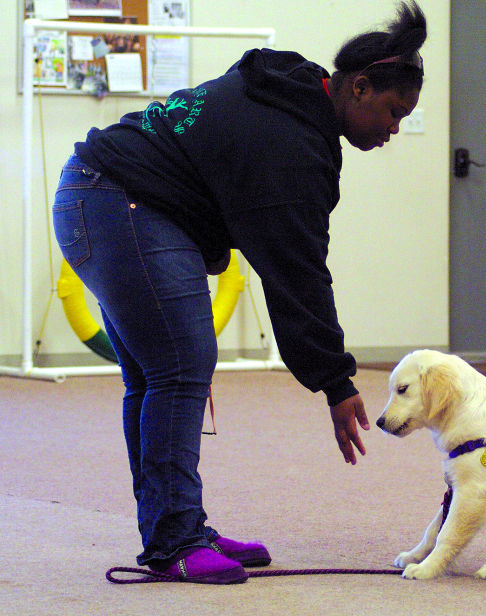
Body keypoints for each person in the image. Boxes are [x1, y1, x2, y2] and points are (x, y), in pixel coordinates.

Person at [52, 2, 427, 585]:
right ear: (359, 86)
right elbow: (298, 273)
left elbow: (291, 259)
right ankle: (174, 539)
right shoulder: (293, 143)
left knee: (155, 376)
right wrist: (336, 380)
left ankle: (176, 526)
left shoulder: (292, 93)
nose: (394, 129)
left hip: (93, 195)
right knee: (180, 365)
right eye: (393, 111)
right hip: (118, 202)